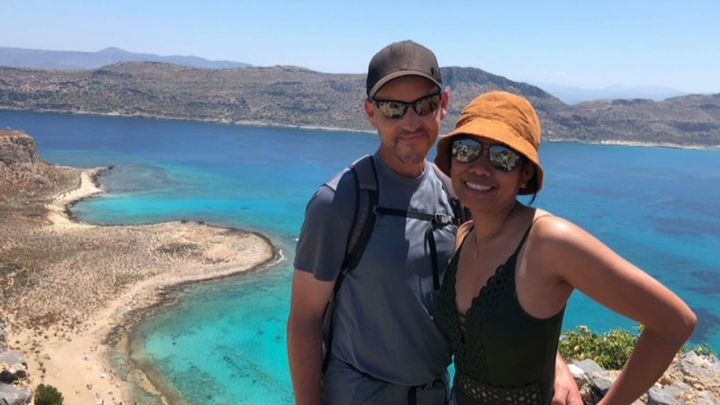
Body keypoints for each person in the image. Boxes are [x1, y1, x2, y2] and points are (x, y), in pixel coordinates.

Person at [287, 41, 581, 405]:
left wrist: (553, 361)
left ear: (443, 105)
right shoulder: (340, 202)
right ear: (371, 113)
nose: (410, 122)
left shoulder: (458, 197)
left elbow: (500, 293)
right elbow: (305, 319)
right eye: (393, 108)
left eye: (423, 105)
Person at [432, 91, 698, 404]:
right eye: (467, 150)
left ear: (524, 173)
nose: (479, 167)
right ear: (453, 159)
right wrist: (555, 361)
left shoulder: (548, 241)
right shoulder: (465, 236)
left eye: (502, 157)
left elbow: (674, 323)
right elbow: (515, 329)